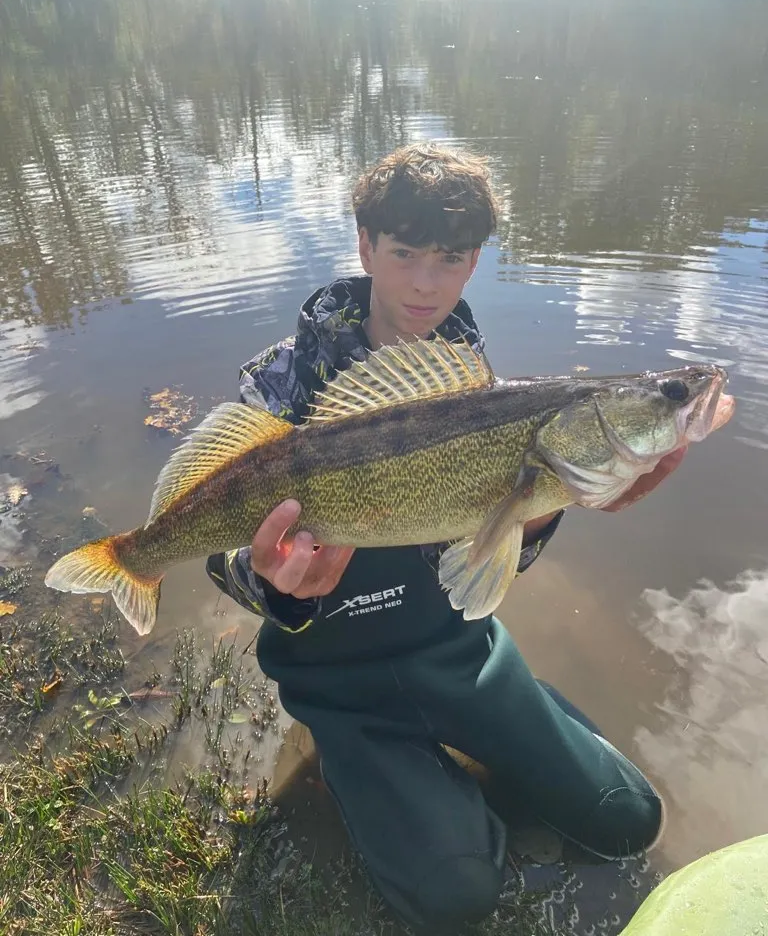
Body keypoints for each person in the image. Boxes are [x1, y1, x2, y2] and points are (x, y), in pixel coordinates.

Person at [206, 144, 684, 932]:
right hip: (342, 681)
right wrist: (271, 585)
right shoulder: (278, 384)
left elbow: (485, 557)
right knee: (457, 893)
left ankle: (510, 721)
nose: (426, 283)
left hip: (457, 652)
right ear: (365, 245)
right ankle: (366, 761)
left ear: (474, 263)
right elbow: (227, 546)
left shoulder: (482, 386)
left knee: (627, 819)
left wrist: (551, 502)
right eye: (404, 254)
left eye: (451, 259)